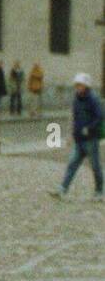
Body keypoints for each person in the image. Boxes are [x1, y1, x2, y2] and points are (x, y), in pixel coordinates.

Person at [48, 73, 103, 202]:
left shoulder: (93, 99)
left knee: (95, 166)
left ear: (86, 85)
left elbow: (100, 117)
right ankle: (62, 189)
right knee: (72, 164)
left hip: (91, 139)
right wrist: (71, 133)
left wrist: (89, 128)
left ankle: (99, 191)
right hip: (79, 139)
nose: (78, 87)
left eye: (80, 85)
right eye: (76, 85)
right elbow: (74, 117)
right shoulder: (76, 99)